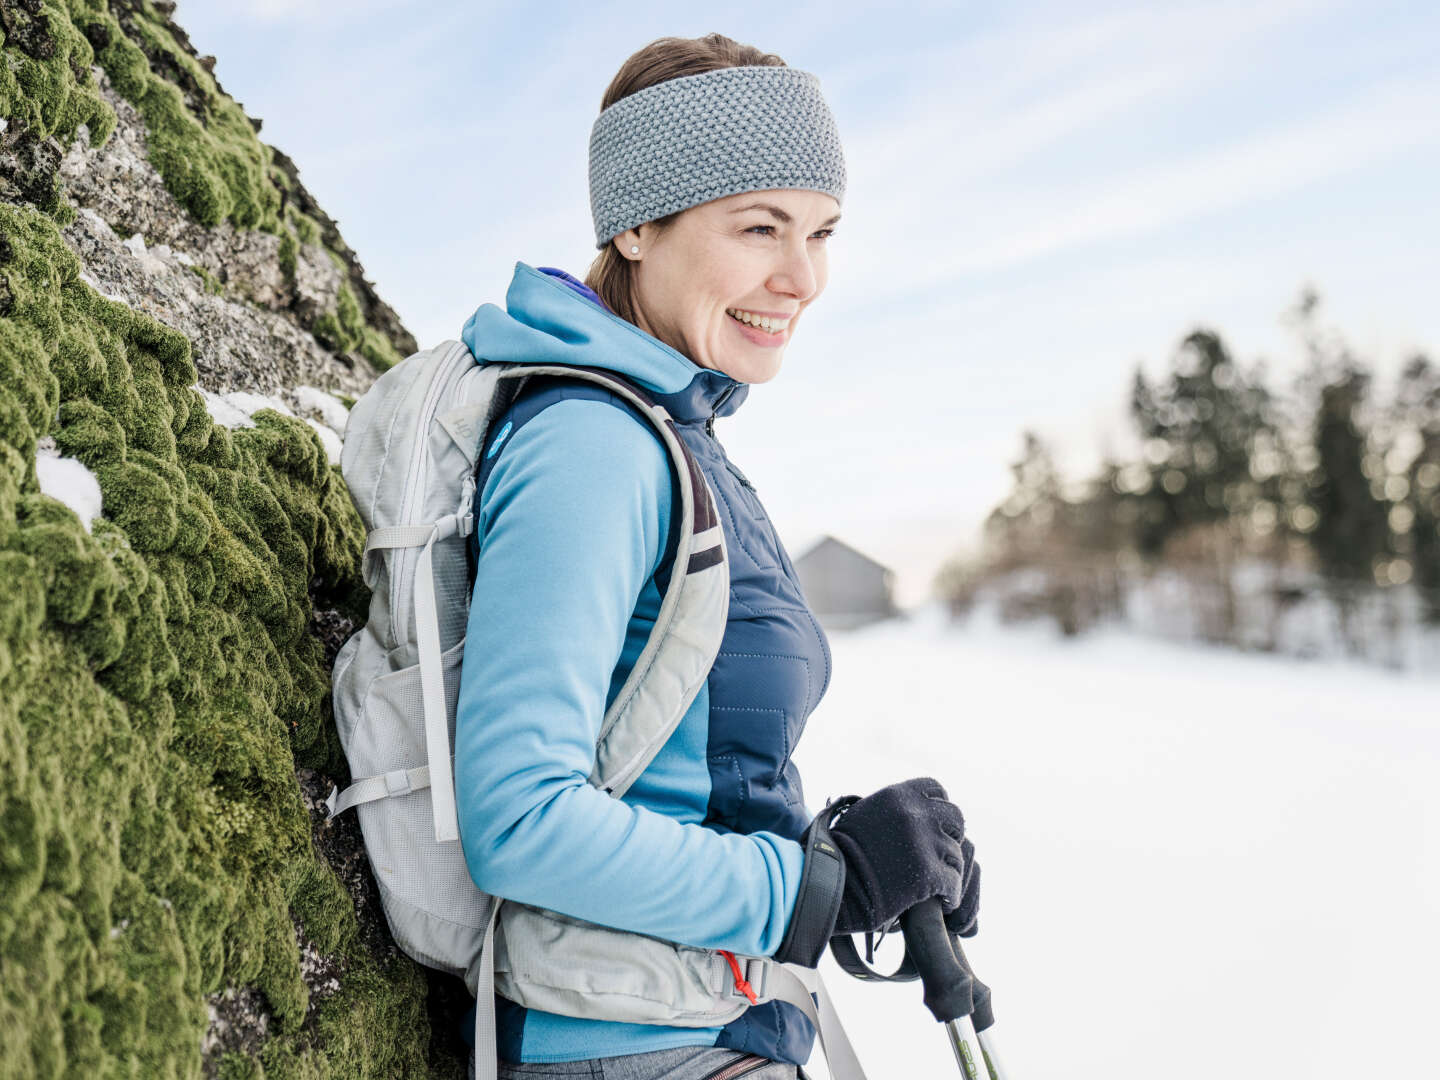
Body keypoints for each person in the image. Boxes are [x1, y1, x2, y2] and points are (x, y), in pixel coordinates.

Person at [454, 33, 981, 1080]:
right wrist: (809, 890)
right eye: (759, 227)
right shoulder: (593, 443)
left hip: (707, 1027)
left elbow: (672, 767)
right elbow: (516, 816)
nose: (803, 277)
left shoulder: (674, 432)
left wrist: (857, 857)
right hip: (634, 1045)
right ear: (637, 225)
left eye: (822, 232)